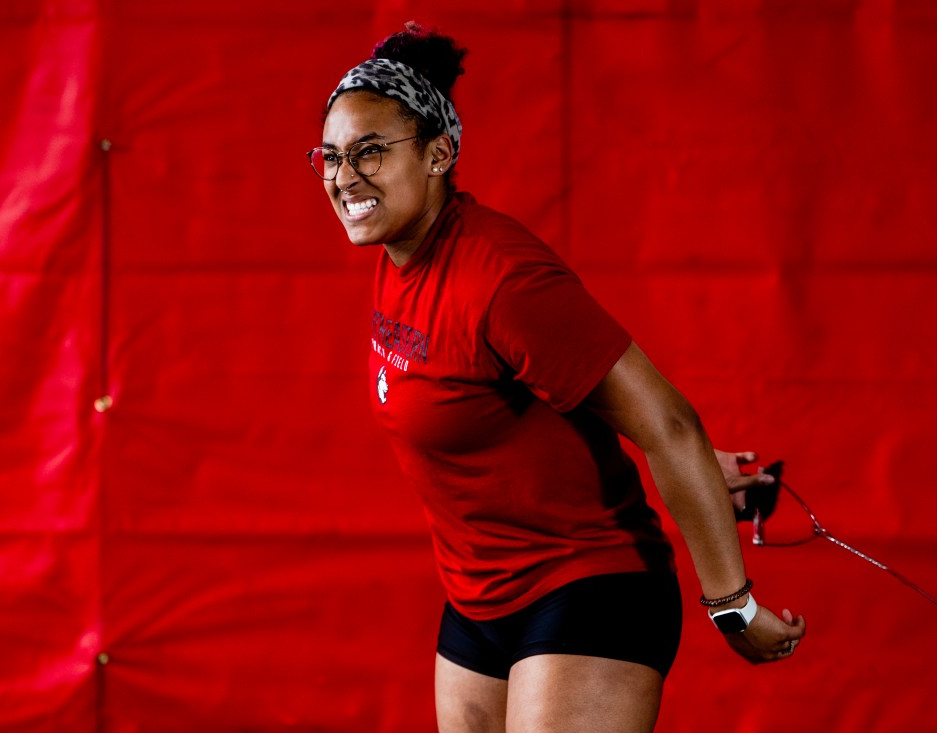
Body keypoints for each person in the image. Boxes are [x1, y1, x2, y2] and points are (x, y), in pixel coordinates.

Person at [307, 22, 806, 732]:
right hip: (478, 599)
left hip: (587, 586)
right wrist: (682, 465)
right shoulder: (402, 258)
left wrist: (734, 603)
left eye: (370, 152)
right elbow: (522, 389)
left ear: (439, 154)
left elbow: (668, 422)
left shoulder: (500, 276)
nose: (343, 176)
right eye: (329, 155)